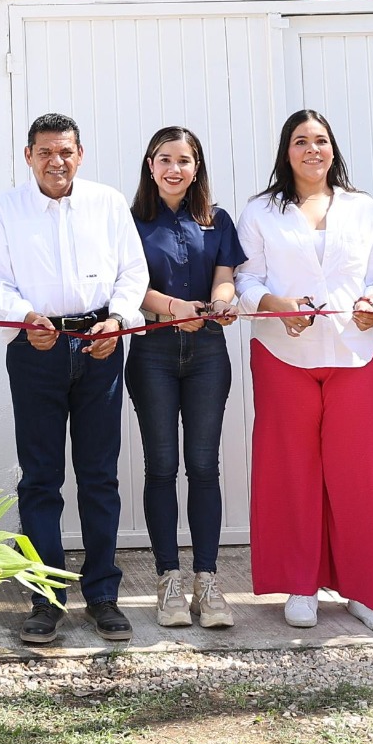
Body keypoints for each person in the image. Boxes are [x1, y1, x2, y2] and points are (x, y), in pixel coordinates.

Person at [0, 112, 150, 646]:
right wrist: (25, 318)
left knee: (99, 476)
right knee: (40, 478)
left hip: (99, 345)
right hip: (37, 349)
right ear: (28, 156)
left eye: (66, 152)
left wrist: (118, 320)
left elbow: (133, 272)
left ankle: (103, 596)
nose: (57, 162)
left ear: (81, 154)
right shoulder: (3, 209)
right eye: (46, 152)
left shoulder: (106, 203)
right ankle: (46, 598)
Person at [236, 109, 373, 639]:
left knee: (355, 475)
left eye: (321, 140)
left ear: (334, 148)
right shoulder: (261, 210)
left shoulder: (364, 208)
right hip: (283, 356)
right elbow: (245, 279)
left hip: (353, 353)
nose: (313, 150)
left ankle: (367, 592)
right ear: (285, 152)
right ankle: (301, 585)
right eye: (300, 141)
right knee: (292, 471)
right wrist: (275, 303)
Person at [127, 126, 243, 631]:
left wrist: (222, 302)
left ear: (198, 167)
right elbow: (127, 287)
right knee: (161, 466)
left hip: (207, 355)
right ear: (150, 165)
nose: (175, 169)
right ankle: (168, 580)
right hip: (151, 353)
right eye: (165, 159)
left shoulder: (217, 220)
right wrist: (173, 308)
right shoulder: (128, 222)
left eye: (186, 160)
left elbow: (225, 276)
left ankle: (208, 580)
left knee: (203, 465)